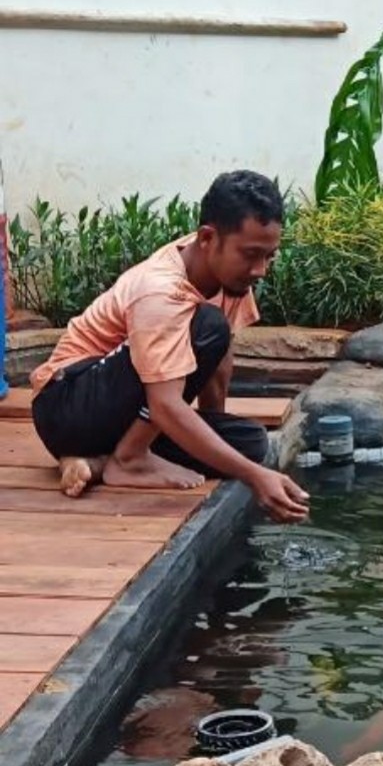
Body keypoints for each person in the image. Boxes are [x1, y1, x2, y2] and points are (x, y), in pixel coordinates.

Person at [30, 170, 310, 524]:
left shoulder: (230, 275)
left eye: (269, 256)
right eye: (252, 255)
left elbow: (219, 359)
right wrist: (255, 478)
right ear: (208, 237)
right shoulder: (161, 291)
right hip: (67, 404)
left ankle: (97, 462)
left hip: (118, 413)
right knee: (208, 325)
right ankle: (131, 458)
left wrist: (215, 425)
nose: (260, 270)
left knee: (250, 443)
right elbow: (163, 406)